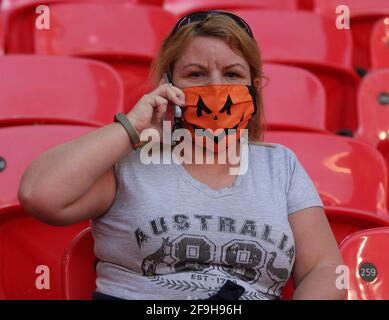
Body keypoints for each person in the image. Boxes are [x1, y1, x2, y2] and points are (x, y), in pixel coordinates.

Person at [18, 10, 345, 300]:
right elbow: (39, 194)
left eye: (232, 74)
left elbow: (324, 267)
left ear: (254, 88)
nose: (215, 88)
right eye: (196, 74)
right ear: (169, 85)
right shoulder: (129, 161)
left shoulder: (280, 166)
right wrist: (131, 128)